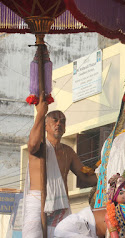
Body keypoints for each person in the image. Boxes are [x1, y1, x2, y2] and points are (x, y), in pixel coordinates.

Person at [22, 92, 97, 238]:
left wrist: (107, 176)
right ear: (46, 127)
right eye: (55, 121)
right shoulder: (40, 147)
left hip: (60, 204)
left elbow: (86, 178)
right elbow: (31, 145)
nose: (59, 124)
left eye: (62, 121)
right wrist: (40, 114)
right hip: (38, 201)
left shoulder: (68, 151)